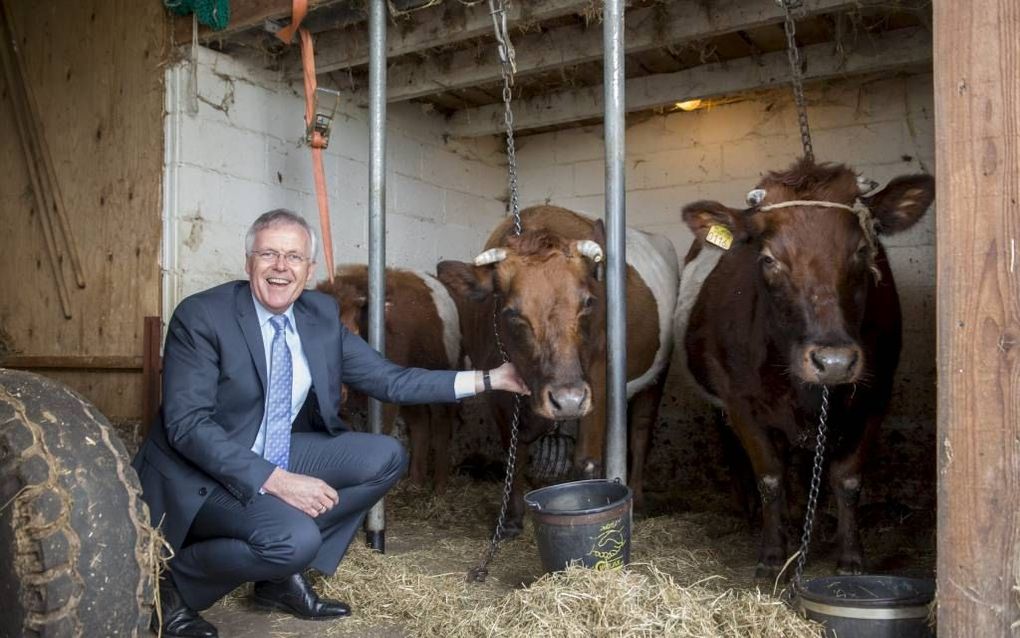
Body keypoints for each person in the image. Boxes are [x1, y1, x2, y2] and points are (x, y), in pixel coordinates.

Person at [133, 209, 528, 638]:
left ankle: (278, 580)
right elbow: (187, 427)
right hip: (201, 474)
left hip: (271, 452)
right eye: (269, 254)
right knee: (294, 539)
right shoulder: (203, 316)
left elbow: (388, 379)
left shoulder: (318, 316)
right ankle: (171, 587)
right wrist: (278, 481)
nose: (281, 267)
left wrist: (492, 378)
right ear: (248, 262)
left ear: (309, 268)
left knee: (384, 456)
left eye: (294, 257)